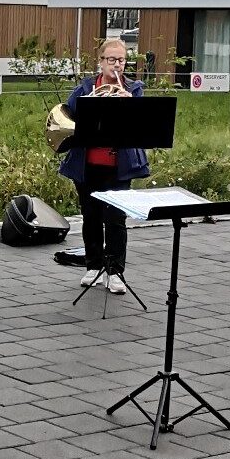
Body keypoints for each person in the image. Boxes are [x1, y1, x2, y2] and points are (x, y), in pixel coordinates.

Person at [57, 38, 150, 295]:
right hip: (88, 165)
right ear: (101, 62)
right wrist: (89, 102)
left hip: (119, 166)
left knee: (116, 218)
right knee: (92, 217)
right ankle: (93, 265)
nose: (117, 65)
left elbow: (143, 125)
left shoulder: (134, 89)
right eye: (111, 60)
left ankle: (115, 271)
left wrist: (129, 102)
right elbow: (67, 115)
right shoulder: (86, 88)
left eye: (121, 60)